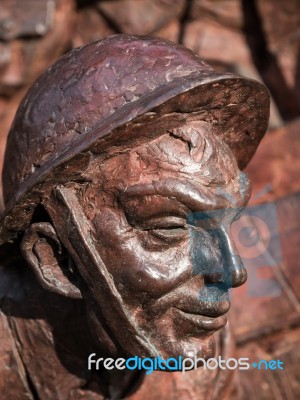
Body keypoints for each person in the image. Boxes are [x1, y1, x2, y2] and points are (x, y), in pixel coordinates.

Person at [0, 35, 269, 399]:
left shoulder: (198, 341)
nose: (233, 272)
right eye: (169, 229)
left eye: (227, 222)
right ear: (55, 259)